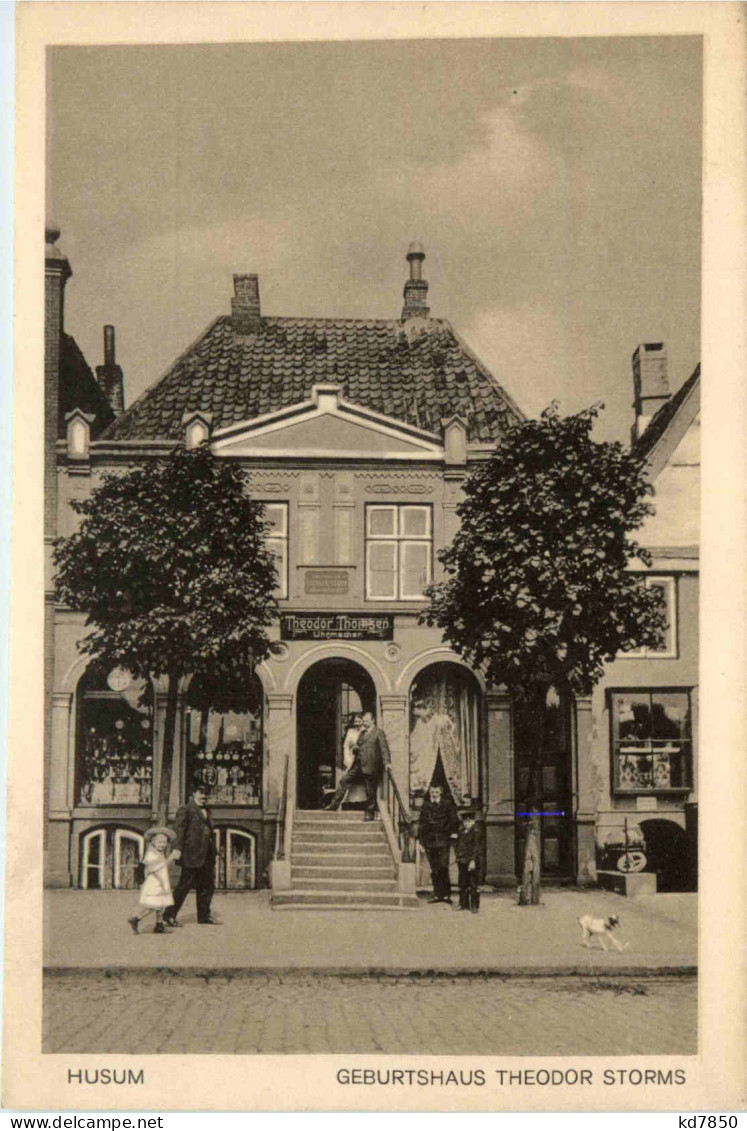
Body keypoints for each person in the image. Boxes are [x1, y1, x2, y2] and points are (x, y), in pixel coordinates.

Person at [163, 786, 220, 926]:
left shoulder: (207, 810)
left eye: (206, 793)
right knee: (184, 887)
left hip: (206, 855)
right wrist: (177, 848)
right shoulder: (186, 809)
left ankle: (204, 916)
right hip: (191, 854)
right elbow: (179, 830)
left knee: (207, 886)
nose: (203, 796)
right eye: (201, 792)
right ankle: (169, 916)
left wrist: (215, 852)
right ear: (193, 793)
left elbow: (210, 834)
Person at [325, 710, 391, 820]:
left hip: (371, 766)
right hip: (358, 765)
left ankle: (370, 813)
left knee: (370, 791)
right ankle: (333, 805)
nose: (364, 723)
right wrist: (355, 748)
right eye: (363, 721)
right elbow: (358, 745)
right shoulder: (362, 733)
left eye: (366, 721)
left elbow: (384, 749)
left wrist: (387, 763)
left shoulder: (378, 733)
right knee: (343, 781)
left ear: (373, 720)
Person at [128, 826, 180, 935]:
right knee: (155, 905)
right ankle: (137, 918)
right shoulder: (151, 854)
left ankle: (159, 925)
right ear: (153, 842)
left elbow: (162, 865)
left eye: (164, 843)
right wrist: (170, 858)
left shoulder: (158, 852)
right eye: (159, 842)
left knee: (161, 904)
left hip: (160, 881)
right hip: (155, 882)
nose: (162, 845)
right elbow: (155, 867)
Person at [418, 783, 460, 903]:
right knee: (434, 869)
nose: (434, 794)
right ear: (429, 793)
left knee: (443, 866)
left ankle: (446, 895)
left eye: (436, 792)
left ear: (440, 792)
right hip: (430, 841)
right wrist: (421, 842)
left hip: (443, 839)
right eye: (432, 792)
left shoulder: (447, 804)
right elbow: (422, 824)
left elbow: (453, 819)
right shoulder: (426, 805)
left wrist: (453, 832)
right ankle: (437, 895)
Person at [454, 810, 482, 914]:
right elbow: (458, 846)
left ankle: (474, 905)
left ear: (473, 822)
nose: (467, 823)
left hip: (472, 861)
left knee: (473, 884)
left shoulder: (476, 832)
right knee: (462, 883)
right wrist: (458, 856)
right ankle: (463, 904)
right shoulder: (461, 832)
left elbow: (476, 848)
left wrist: (473, 861)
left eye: (469, 821)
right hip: (462, 860)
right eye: (465, 822)